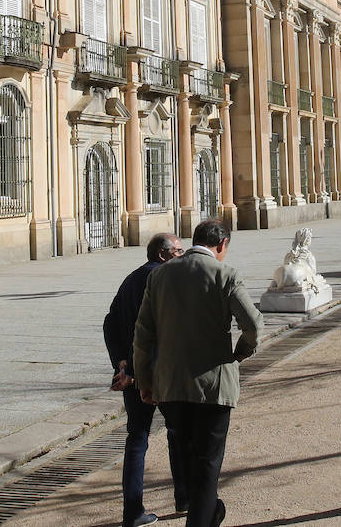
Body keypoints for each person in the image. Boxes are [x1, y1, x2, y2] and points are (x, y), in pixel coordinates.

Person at [133, 220, 264, 527]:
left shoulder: (160, 275)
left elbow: (142, 334)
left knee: (188, 455)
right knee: (207, 462)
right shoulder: (225, 274)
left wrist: (145, 380)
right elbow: (254, 325)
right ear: (222, 245)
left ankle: (210, 509)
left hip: (170, 384)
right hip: (213, 383)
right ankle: (203, 517)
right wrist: (241, 352)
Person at [103, 232, 188, 527]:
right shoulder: (166, 281)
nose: (183, 254)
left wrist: (121, 364)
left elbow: (110, 322)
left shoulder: (130, 280)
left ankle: (133, 511)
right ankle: (184, 496)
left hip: (132, 376)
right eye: (178, 251)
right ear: (163, 255)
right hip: (160, 373)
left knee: (137, 439)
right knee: (178, 433)